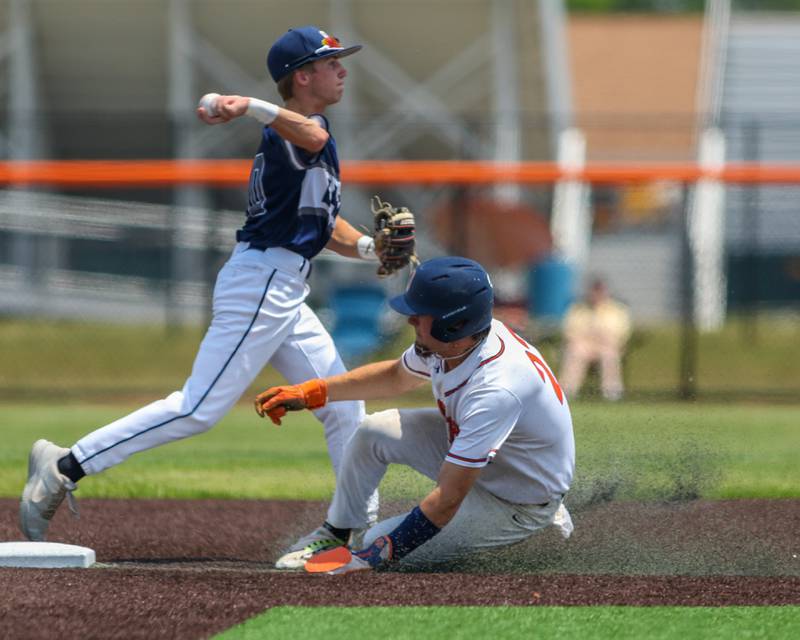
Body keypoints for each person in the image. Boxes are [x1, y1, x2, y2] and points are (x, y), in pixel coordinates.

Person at [19, 26, 409, 545]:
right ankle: (65, 466)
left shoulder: (305, 134)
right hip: (263, 282)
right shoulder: (294, 133)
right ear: (302, 76)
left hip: (283, 286)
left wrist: (366, 249)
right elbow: (310, 138)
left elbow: (323, 224)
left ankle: (353, 530)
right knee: (199, 408)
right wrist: (249, 104)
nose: (342, 69)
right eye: (331, 62)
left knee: (343, 405)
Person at [255, 256, 575, 573]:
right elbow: (396, 376)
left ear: (454, 323)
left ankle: (537, 531)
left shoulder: (497, 388)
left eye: (420, 314)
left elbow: (448, 497)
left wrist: (371, 557)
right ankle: (337, 533)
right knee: (373, 429)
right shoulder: (457, 343)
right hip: (492, 461)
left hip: (515, 502)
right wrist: (312, 392)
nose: (410, 320)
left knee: (377, 543)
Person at [559, 278, 632, 401]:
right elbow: (569, 332)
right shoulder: (578, 308)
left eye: (600, 291)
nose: (597, 294)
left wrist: (603, 335)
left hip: (607, 346)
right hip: (583, 346)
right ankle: (566, 392)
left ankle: (612, 393)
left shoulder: (617, 310)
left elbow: (622, 334)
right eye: (594, 291)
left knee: (609, 355)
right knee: (575, 351)